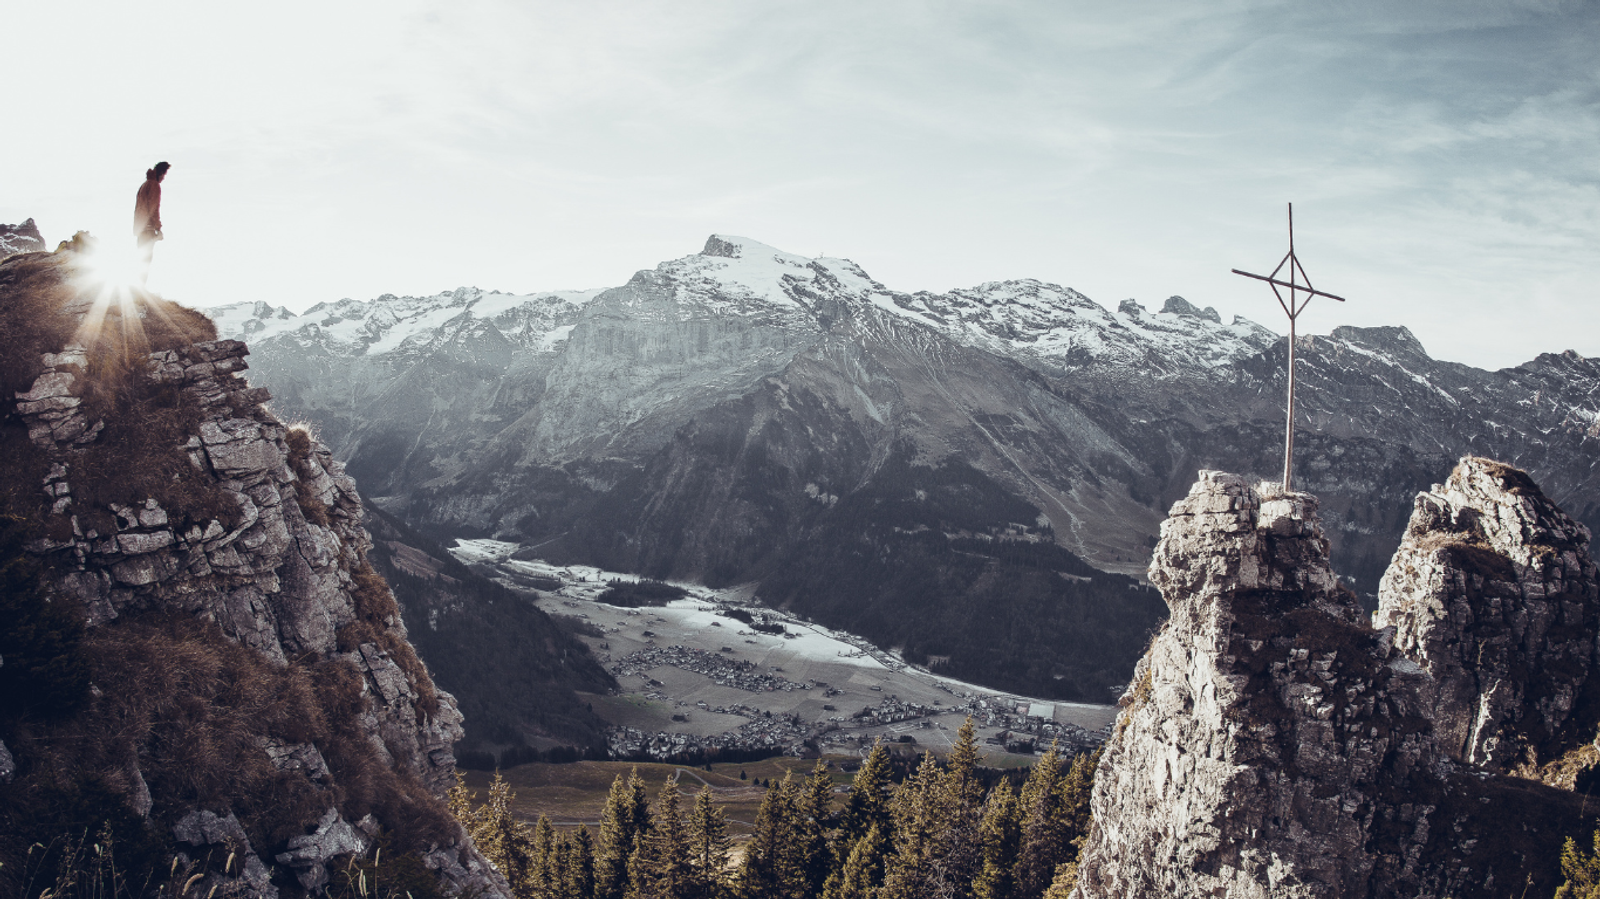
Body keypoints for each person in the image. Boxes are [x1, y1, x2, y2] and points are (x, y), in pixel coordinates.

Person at [133, 161, 170, 283]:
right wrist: (158, 228)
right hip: (148, 228)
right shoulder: (154, 185)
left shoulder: (144, 185)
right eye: (164, 175)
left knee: (140, 258)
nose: (164, 178)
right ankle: (140, 290)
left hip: (140, 228)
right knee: (146, 260)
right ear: (160, 173)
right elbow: (154, 209)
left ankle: (137, 287)